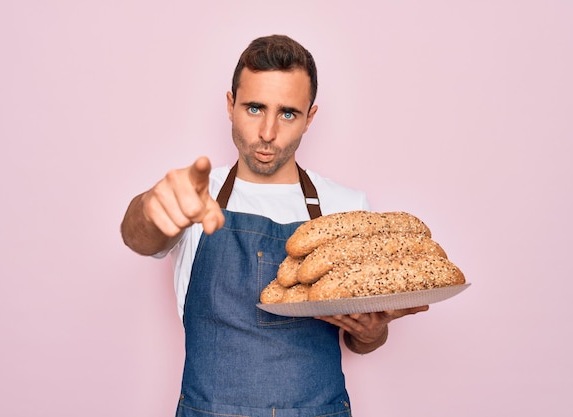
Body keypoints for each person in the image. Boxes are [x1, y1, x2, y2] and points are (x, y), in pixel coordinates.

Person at [121, 34, 428, 416]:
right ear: (231, 105)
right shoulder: (197, 195)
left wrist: (371, 334)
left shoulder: (347, 207)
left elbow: (362, 339)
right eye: (253, 108)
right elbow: (140, 236)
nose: (267, 133)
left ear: (309, 117)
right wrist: (151, 208)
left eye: (287, 114)